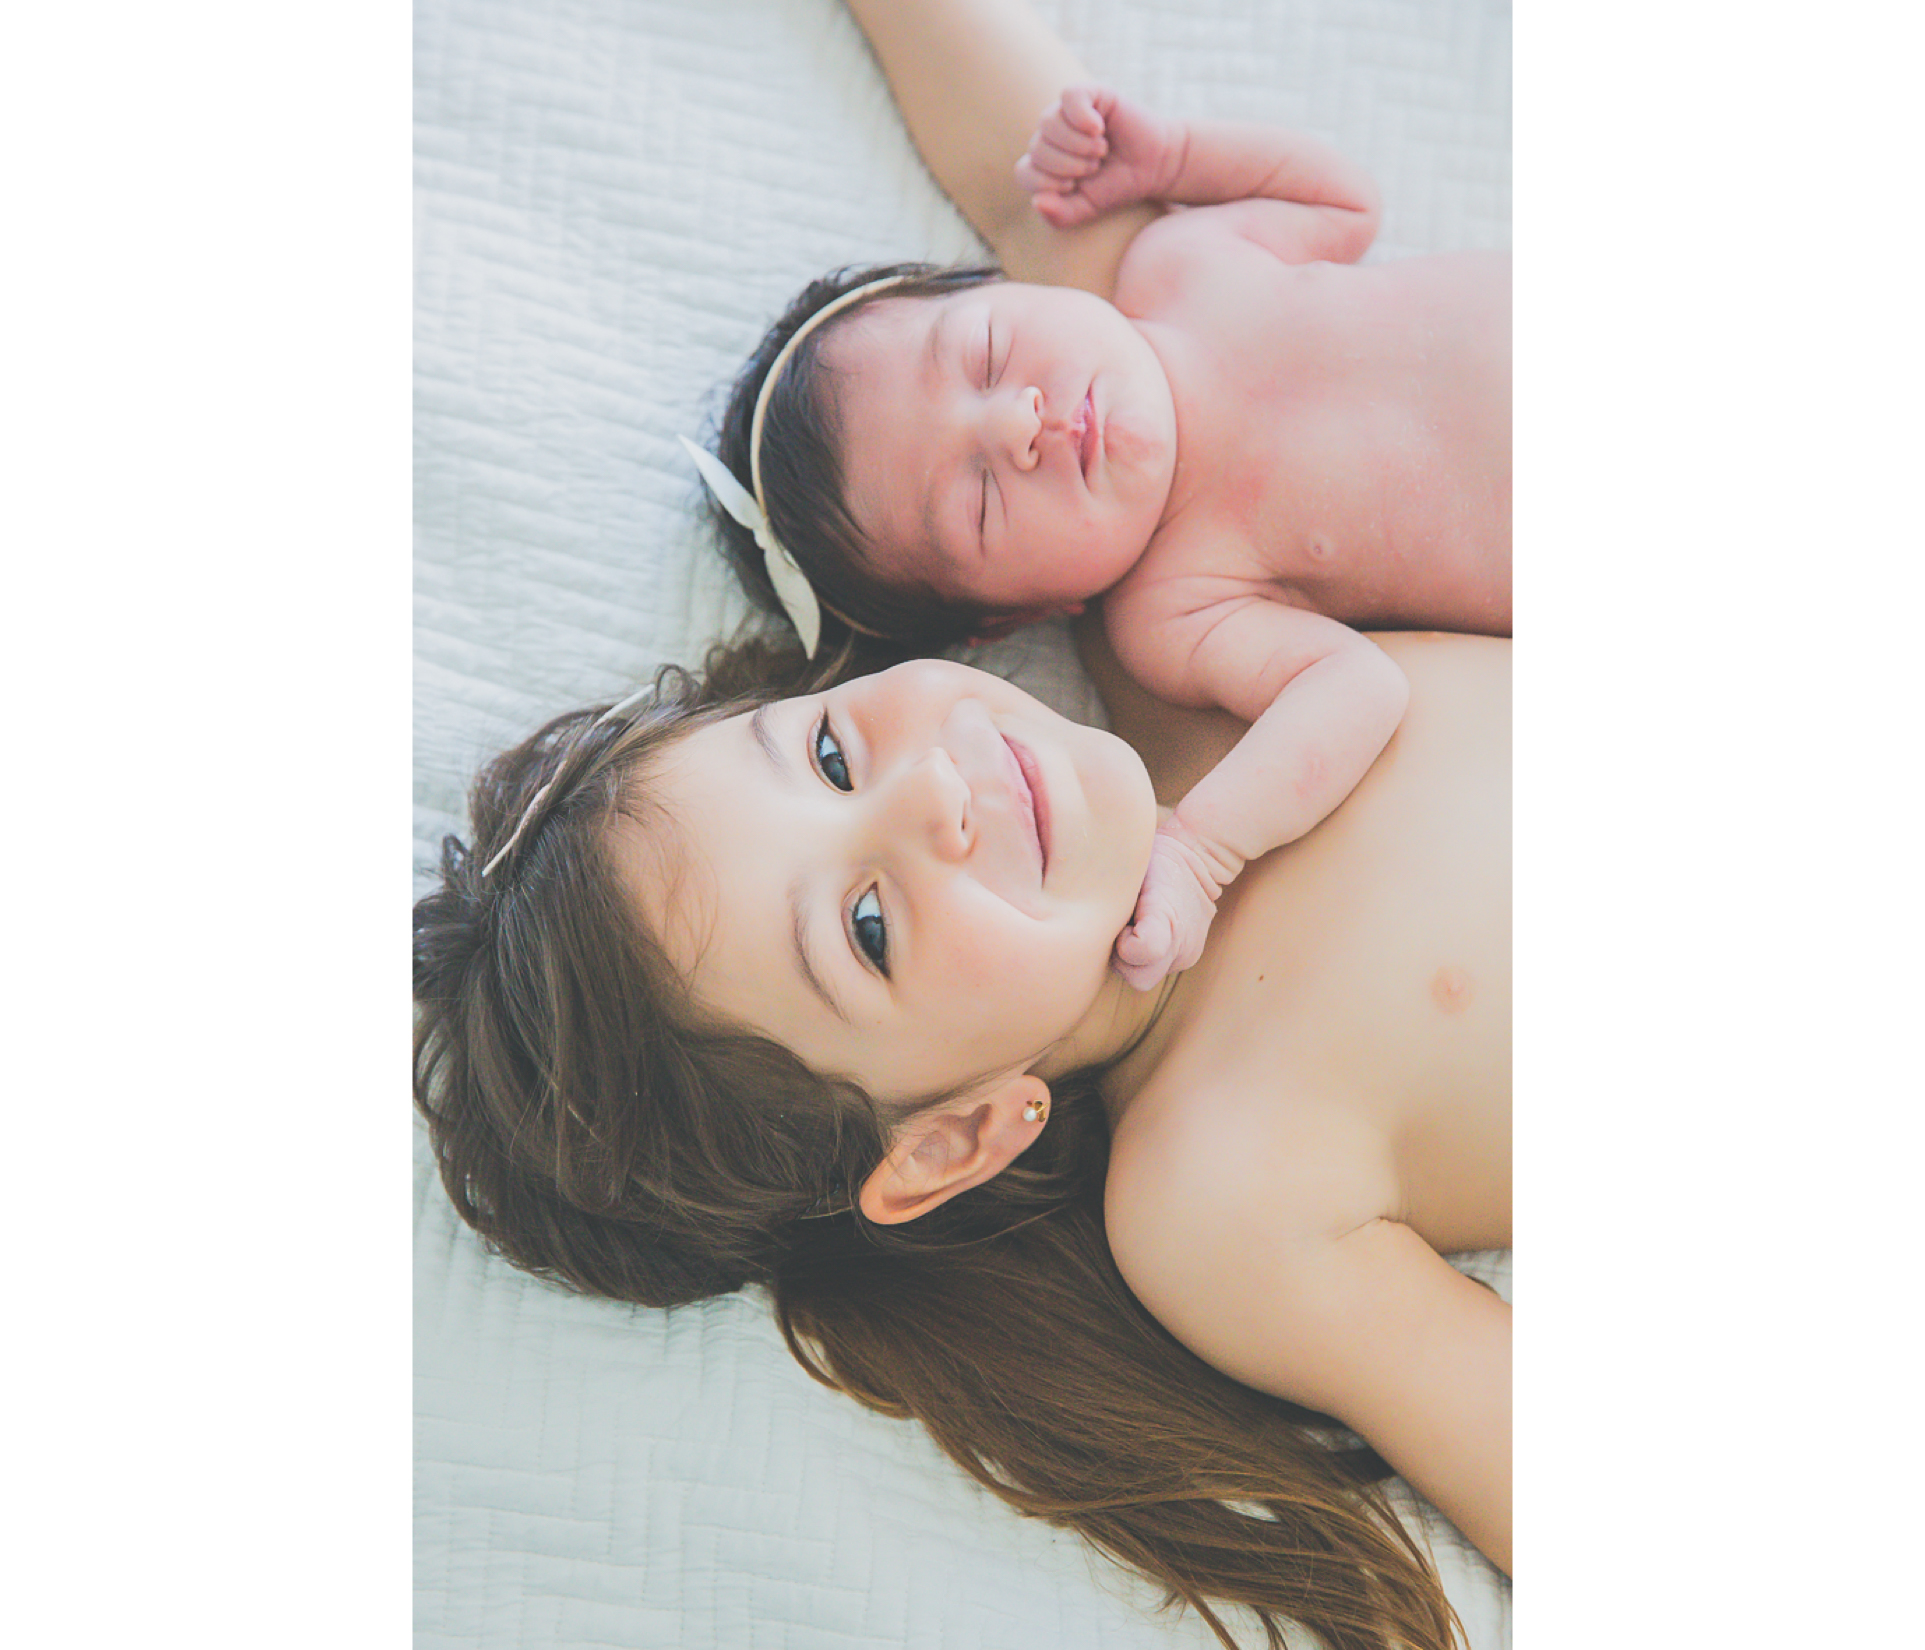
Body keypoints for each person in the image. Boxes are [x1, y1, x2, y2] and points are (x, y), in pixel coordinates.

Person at [413, 623, 1510, 1650]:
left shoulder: (1178, 631)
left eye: (831, 755)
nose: (929, 790)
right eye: (869, 928)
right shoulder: (1214, 1198)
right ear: (950, 1141)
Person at [688, 0, 1509, 986]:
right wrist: (1201, 852)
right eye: (979, 500)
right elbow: (1355, 689)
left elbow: (1342, 206)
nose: (1016, 425)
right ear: (1019, 614)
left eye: (987, 352)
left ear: (1002, 285)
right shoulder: (1175, 605)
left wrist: (1169, 156)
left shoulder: (1177, 266)